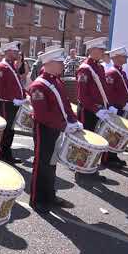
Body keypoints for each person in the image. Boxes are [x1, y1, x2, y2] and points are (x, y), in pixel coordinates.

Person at [29, 48, 82, 214]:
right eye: (60, 62)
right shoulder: (39, 85)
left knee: (51, 163)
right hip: (44, 129)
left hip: (56, 128)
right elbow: (42, 114)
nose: (62, 65)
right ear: (49, 63)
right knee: (41, 164)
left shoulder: (57, 81)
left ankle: (50, 195)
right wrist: (64, 125)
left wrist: (74, 121)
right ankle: (37, 199)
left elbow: (65, 105)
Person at [76, 36, 116, 184]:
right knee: (87, 142)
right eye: (100, 50)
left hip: (98, 110)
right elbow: (82, 95)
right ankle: (81, 171)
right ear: (92, 50)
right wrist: (95, 109)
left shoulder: (98, 67)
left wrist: (107, 105)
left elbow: (103, 89)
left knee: (96, 142)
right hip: (87, 110)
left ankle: (91, 168)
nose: (103, 52)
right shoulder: (85, 69)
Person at [102, 47, 128, 168]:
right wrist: (111, 106)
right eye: (124, 56)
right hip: (115, 108)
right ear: (116, 57)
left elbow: (123, 91)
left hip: (121, 107)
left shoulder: (121, 72)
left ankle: (113, 155)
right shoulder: (111, 73)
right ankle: (106, 158)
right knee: (112, 133)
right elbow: (108, 93)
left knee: (118, 134)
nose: (126, 58)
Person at [0, 41, 28, 164]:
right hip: (7, 103)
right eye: (15, 51)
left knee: (11, 129)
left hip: (14, 103)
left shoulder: (11, 65)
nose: (17, 53)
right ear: (8, 51)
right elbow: (0, 88)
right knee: (6, 130)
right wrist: (12, 98)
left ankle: (7, 154)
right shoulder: (1, 67)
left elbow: (17, 84)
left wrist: (24, 95)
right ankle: (2, 154)